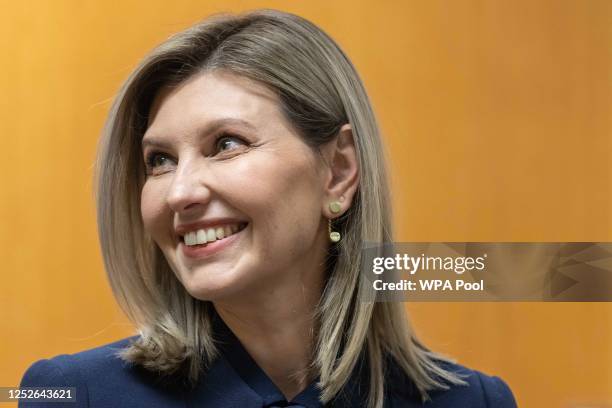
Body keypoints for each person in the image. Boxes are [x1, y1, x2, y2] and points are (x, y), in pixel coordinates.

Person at [19, 9, 517, 408]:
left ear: (338, 172)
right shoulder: (69, 395)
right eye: (160, 160)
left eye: (227, 143)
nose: (180, 192)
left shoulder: (473, 400)